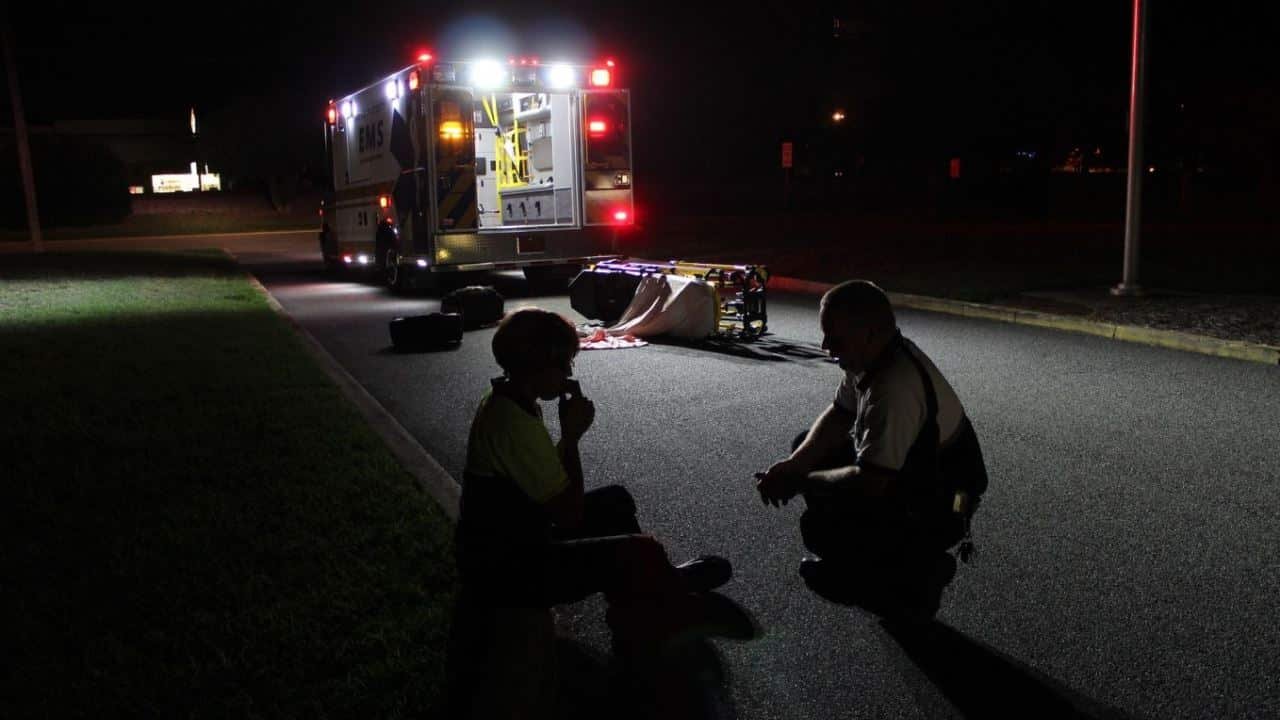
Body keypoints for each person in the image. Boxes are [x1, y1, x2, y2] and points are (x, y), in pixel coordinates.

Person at [450, 307, 733, 715]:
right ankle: (652, 624)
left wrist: (566, 440)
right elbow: (568, 513)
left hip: (515, 536)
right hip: (509, 568)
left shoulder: (509, 399)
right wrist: (573, 436)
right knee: (640, 550)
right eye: (563, 363)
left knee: (615, 500)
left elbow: (552, 490)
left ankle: (646, 602)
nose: (568, 372)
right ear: (539, 365)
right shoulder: (512, 421)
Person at [754, 280, 988, 621]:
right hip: (916, 475)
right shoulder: (872, 356)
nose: (825, 347)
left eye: (834, 338)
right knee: (807, 446)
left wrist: (800, 481)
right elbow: (839, 413)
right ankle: (885, 567)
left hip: (947, 501)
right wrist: (793, 465)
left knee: (827, 523)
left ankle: (910, 574)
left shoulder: (894, 388)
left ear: (869, 333)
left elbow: (871, 481)